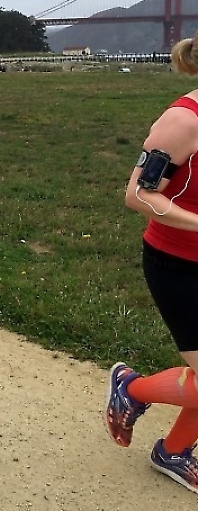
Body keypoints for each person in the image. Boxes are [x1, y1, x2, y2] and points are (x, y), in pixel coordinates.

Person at [105, 33, 198, 495]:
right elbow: (138, 195)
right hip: (178, 265)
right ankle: (131, 389)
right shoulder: (183, 121)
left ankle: (174, 452)